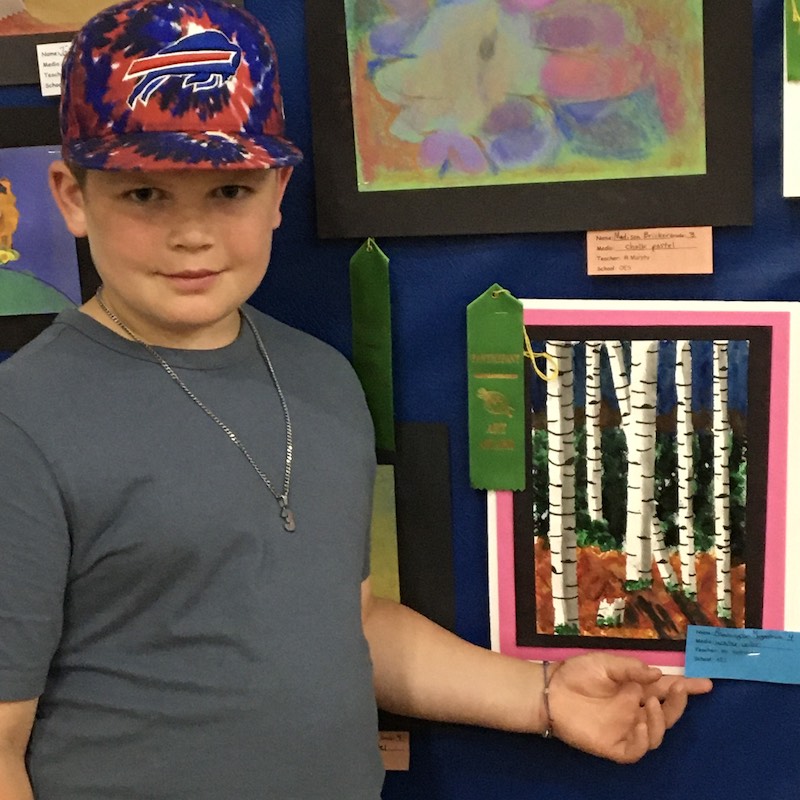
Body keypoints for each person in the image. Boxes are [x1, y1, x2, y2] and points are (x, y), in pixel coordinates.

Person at [0, 1, 712, 798]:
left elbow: (351, 624)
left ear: (278, 191)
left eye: (229, 190)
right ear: (71, 196)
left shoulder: (322, 378)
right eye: (144, 196)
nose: (191, 233)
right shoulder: (22, 421)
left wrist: (540, 695)